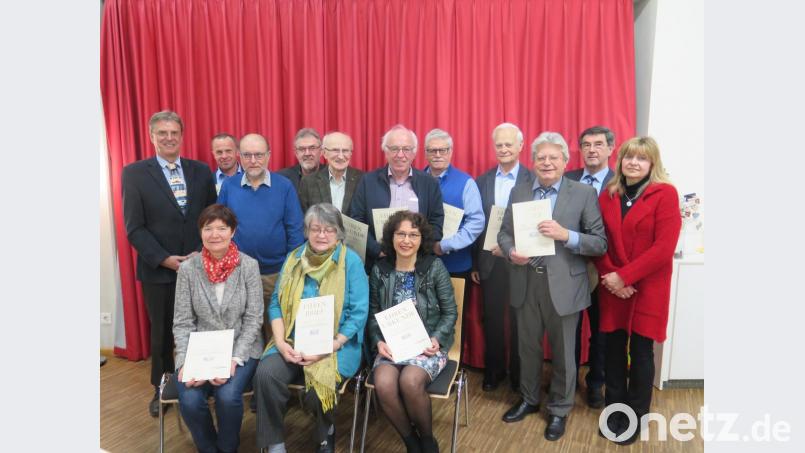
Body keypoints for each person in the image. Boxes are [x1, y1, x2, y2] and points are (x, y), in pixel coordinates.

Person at [498, 131, 607, 441]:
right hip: (525, 280)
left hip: (565, 287)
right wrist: (510, 251)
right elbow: (505, 234)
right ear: (532, 162)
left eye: (553, 157)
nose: (546, 162)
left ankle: (559, 409)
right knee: (527, 348)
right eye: (541, 158)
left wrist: (566, 235)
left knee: (563, 354)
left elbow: (599, 243)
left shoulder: (583, 193)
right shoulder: (519, 192)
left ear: (565, 161)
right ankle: (530, 399)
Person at [121, 110, 217, 417]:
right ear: (152, 136)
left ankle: (202, 382)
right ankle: (161, 389)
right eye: (162, 133)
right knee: (162, 333)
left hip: (200, 266)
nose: (168, 137)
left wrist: (200, 254)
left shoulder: (201, 171)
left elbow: (212, 218)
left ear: (182, 135)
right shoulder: (134, 173)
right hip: (158, 271)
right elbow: (134, 227)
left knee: (203, 327)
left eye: (174, 132)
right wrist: (165, 260)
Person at [254, 203, 369, 453]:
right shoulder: (294, 258)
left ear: (339, 233)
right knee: (265, 374)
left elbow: (359, 312)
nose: (322, 235)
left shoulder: (351, 262)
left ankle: (325, 432)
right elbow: (275, 303)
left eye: (329, 229)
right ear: (306, 231)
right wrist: (282, 344)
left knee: (318, 392)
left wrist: (329, 346)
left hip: (337, 345)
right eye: (315, 228)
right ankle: (274, 443)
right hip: (292, 341)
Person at [594, 136, 681, 445]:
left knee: (641, 355)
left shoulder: (665, 194)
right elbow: (598, 241)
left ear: (652, 164)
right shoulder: (608, 195)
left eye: (641, 159)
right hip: (612, 287)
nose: (633, 163)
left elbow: (663, 248)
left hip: (648, 288)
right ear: (620, 161)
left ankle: (635, 418)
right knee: (613, 353)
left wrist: (625, 277)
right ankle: (614, 413)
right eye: (629, 157)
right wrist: (611, 276)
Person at [172, 204, 264, 453]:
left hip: (240, 348)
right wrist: (184, 362)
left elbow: (254, 318)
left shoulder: (248, 266)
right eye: (208, 228)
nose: (215, 234)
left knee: (227, 396)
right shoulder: (188, 270)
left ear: (232, 231)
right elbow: (182, 322)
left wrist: (234, 359)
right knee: (190, 399)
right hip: (199, 350)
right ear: (200, 232)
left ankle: (227, 448)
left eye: (222, 228)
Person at [367, 211, 457, 453]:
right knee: (384, 383)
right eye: (401, 234)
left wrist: (436, 338)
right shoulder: (380, 269)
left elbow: (450, 312)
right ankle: (410, 441)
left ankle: (427, 440)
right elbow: (373, 312)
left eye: (413, 235)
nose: (406, 240)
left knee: (410, 381)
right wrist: (377, 342)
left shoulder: (434, 267)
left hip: (427, 344)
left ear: (421, 239)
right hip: (391, 345)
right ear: (391, 237)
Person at [217, 133, 305, 341]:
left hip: (276, 273)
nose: (253, 161)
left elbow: (295, 230)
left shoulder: (284, 186)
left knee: (274, 331)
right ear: (239, 156)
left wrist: (289, 269)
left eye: (258, 155)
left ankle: (269, 373)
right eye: (247, 155)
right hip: (238, 273)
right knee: (246, 332)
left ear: (268, 156)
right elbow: (220, 226)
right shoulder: (229, 186)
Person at [471, 122, 534, 392]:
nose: (504, 149)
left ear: (521, 146)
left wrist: (509, 248)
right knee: (493, 318)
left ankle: (520, 377)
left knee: (522, 320)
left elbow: (536, 222)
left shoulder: (533, 179)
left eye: (509, 144)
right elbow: (476, 223)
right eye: (499, 145)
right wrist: (476, 261)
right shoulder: (482, 180)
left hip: (522, 261)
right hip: (489, 261)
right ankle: (494, 371)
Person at [565, 125, 616, 408]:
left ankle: (596, 383)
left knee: (601, 332)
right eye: (586, 144)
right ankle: (568, 382)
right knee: (568, 330)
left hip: (606, 270)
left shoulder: (620, 181)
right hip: (570, 267)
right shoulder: (567, 178)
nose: (592, 149)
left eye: (598, 144)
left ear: (610, 149)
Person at [350, 124, 445, 272]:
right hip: (378, 264)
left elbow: (436, 222)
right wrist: (377, 250)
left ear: (414, 153)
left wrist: (417, 250)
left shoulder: (429, 183)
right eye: (394, 149)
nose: (400, 155)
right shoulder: (367, 181)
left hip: (418, 264)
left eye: (406, 149)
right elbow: (357, 220)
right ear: (385, 151)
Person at [423, 128, 485, 282]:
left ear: (450, 152)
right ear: (425, 153)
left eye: (442, 150)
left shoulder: (466, 183)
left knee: (455, 307)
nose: (437, 155)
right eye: (432, 150)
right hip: (420, 264)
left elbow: (476, 222)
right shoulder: (415, 180)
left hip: (456, 266)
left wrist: (445, 245)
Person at [298, 131, 365, 214]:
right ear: (324, 153)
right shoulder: (308, 182)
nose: (340, 156)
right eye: (335, 150)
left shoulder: (363, 180)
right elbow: (304, 218)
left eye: (345, 151)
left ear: (351, 153)